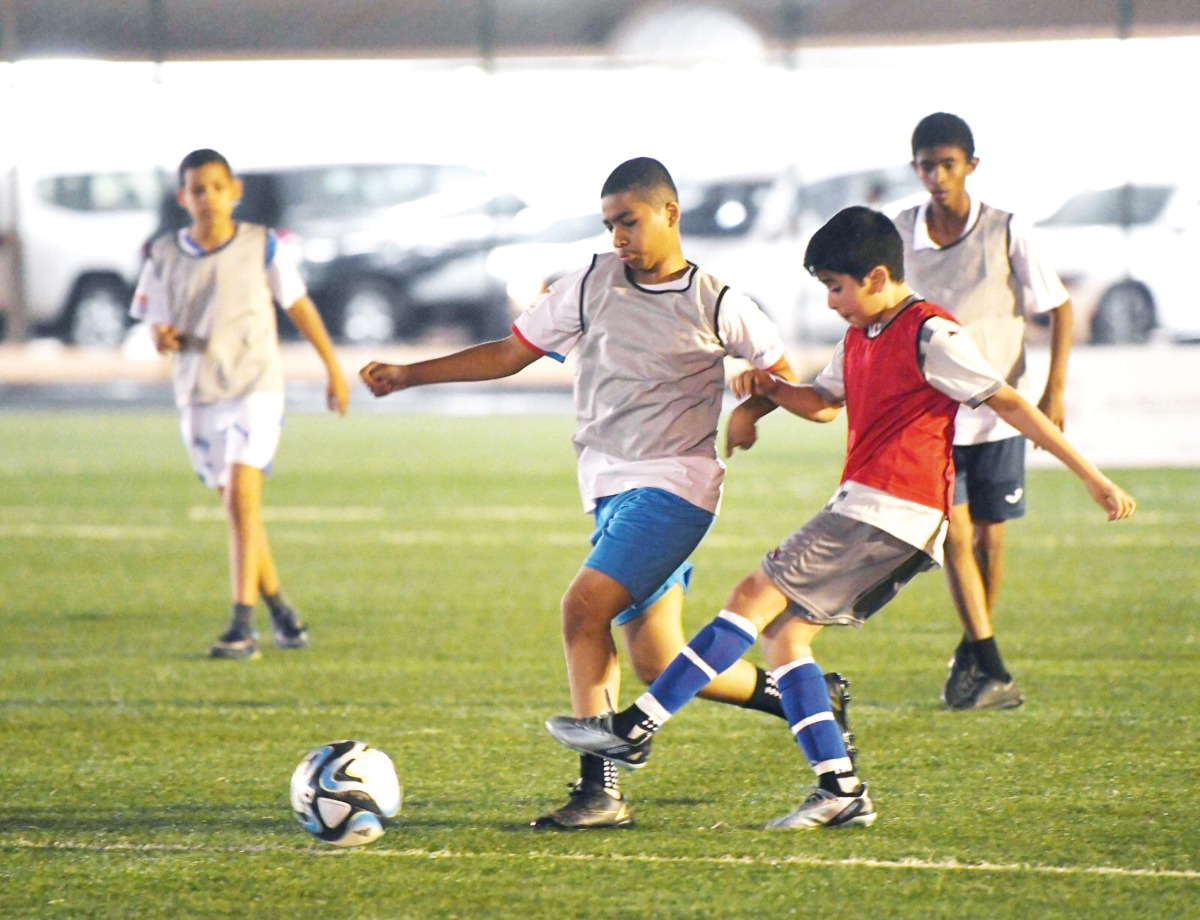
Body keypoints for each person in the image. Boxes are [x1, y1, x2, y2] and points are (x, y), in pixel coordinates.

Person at [545, 206, 1135, 831]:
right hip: (876, 512)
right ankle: (841, 788)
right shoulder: (862, 335)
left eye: (836, 287)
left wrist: (1092, 478)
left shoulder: (931, 333)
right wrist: (767, 392)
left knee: (751, 597)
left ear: (878, 276)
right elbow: (823, 403)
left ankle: (635, 729)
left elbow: (1009, 402)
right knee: (785, 641)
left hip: (887, 510)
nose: (831, 303)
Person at [361, 156, 838, 830]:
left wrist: (748, 412)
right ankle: (809, 697)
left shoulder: (720, 303)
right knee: (656, 658)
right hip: (611, 492)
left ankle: (600, 791)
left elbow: (785, 381)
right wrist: (410, 374)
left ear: (669, 214)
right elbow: (508, 353)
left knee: (582, 609)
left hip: (676, 489)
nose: (618, 236)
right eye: (610, 224)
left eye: (629, 221)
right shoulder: (590, 284)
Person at [131, 148, 350, 660]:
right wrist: (162, 336)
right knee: (240, 511)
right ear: (183, 197)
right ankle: (281, 611)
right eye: (197, 189)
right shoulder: (164, 254)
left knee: (240, 500)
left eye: (216, 186)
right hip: (199, 391)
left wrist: (333, 370)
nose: (207, 197)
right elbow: (155, 320)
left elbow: (298, 305)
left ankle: (241, 628)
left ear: (236, 191)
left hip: (255, 385)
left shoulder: (261, 246)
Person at [895, 112, 1074, 710]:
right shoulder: (899, 233)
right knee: (955, 537)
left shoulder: (1005, 230)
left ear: (972, 165)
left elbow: (1058, 307)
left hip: (999, 411)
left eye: (948, 163)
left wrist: (1054, 391)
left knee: (990, 543)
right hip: (933, 417)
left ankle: (974, 651)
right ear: (914, 168)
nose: (937, 176)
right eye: (926, 165)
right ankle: (988, 659)